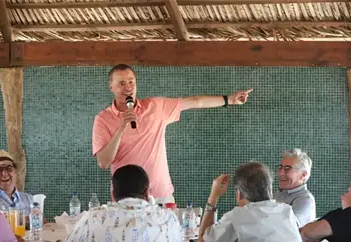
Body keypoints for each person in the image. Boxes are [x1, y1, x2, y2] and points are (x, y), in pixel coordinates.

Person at [92, 64, 252, 204]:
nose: (128, 87)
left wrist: (230, 100)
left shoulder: (155, 107)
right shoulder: (103, 119)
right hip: (125, 199)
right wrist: (121, 128)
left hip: (160, 195)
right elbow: (104, 163)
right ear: (111, 87)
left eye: (131, 82)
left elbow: (194, 102)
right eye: (121, 83)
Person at [274, 148, 316, 227]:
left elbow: (291, 226)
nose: (281, 173)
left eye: (287, 169)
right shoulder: (278, 194)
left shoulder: (304, 199)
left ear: (303, 175)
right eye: (280, 167)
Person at [0, 150, 34, 215]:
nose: (4, 173)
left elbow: (39, 220)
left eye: (9, 168)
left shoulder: (29, 199)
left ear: (15, 172)